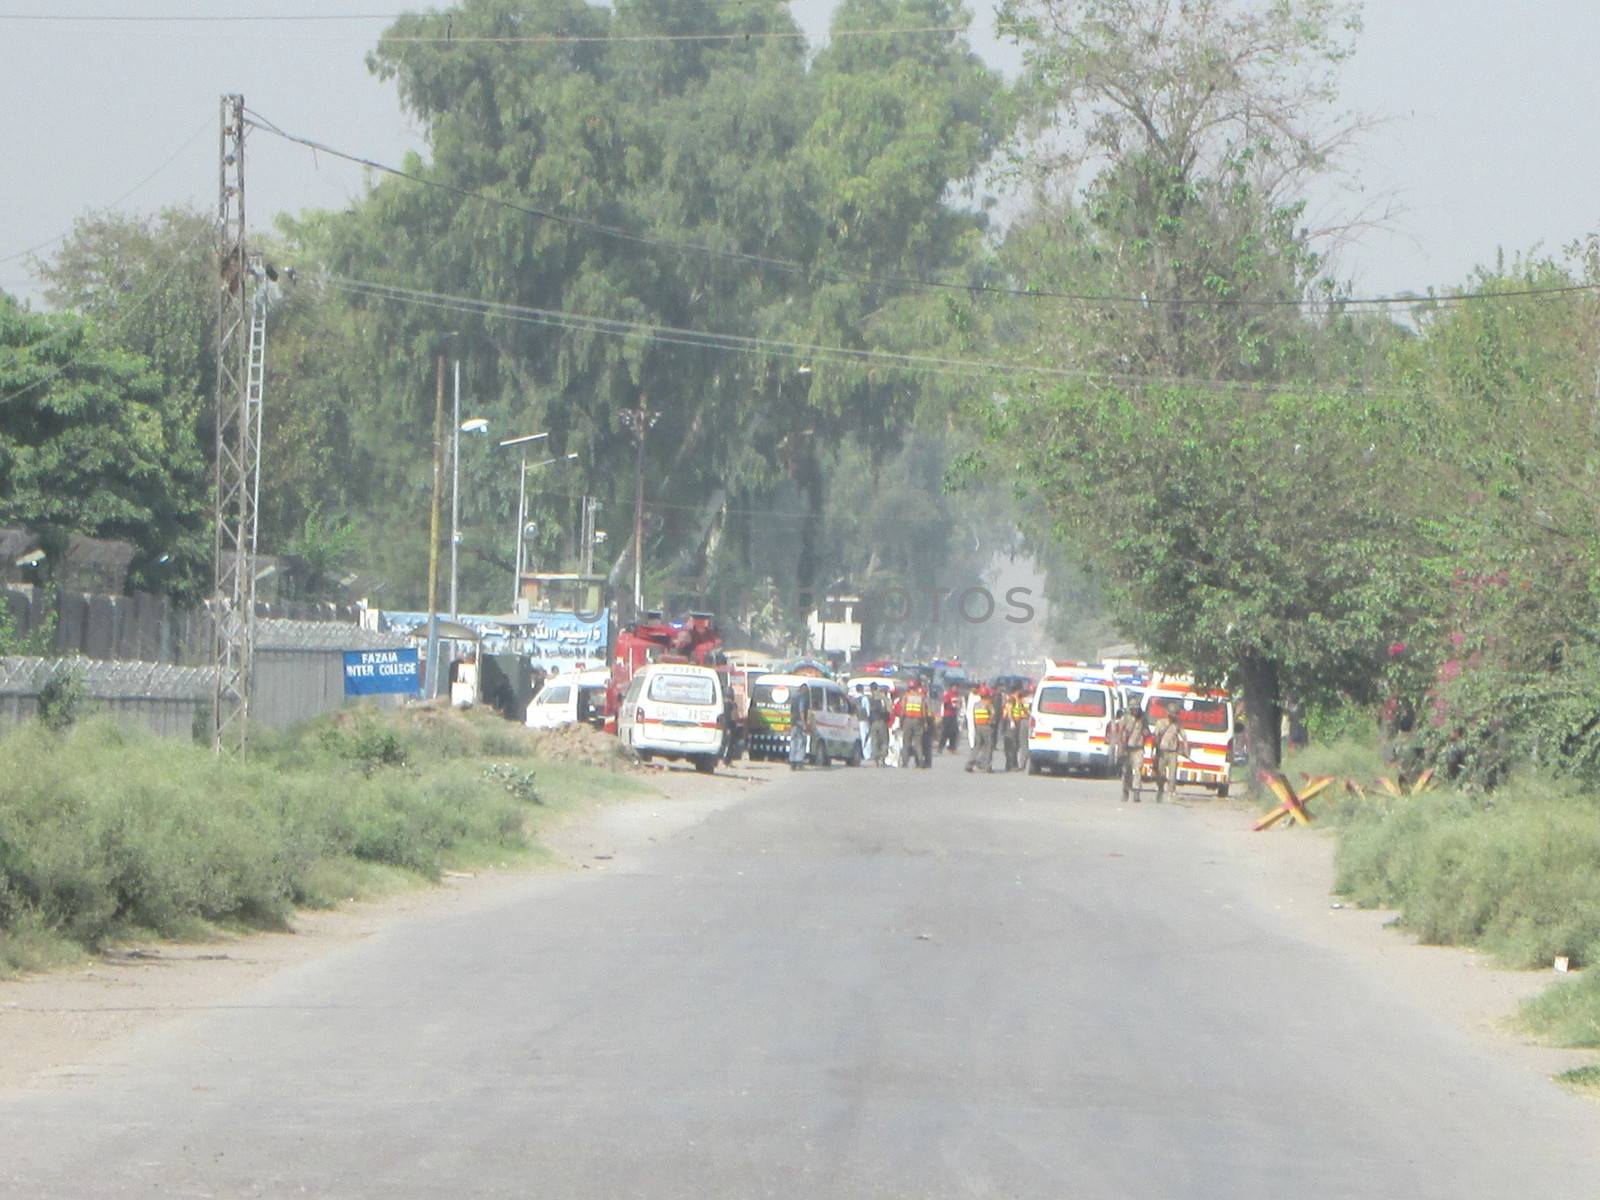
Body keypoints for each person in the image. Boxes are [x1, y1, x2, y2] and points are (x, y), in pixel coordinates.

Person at [1113, 700, 1149, 802]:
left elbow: (1146, 731)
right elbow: (1120, 731)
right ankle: (1125, 791)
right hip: (1127, 748)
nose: (1135, 711)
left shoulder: (1143, 719)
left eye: (1137, 709)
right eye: (1133, 709)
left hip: (1138, 748)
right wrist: (1120, 746)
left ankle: (1136, 793)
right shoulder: (1125, 718)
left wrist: (1146, 734)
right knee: (1126, 771)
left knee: (1137, 770)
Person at [1154, 706, 1190, 802]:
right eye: (1172, 713)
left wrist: (1186, 750)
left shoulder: (1178, 724)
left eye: (1175, 714)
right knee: (1160, 773)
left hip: (1173, 752)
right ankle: (1160, 789)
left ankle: (1170, 792)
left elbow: (1184, 738)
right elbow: (1156, 737)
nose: (1173, 716)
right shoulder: (1160, 723)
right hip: (1162, 751)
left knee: (1172, 774)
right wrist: (1154, 752)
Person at [899, 682, 931, 768]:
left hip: (907, 720)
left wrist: (901, 721)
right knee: (918, 743)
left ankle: (905, 762)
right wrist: (925, 722)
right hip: (918, 721)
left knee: (906, 742)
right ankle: (920, 761)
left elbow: (902, 710)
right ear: (916, 687)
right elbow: (924, 711)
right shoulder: (921, 697)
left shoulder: (906, 696)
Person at [966, 686, 996, 773]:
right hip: (986, 727)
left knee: (977, 746)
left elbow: (974, 717)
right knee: (988, 746)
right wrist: (990, 721)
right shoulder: (988, 704)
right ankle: (987, 766)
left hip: (978, 726)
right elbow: (993, 714)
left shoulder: (976, 704)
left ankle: (969, 764)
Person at [1001, 687, 1029, 771]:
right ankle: (1010, 764)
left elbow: (1022, 712)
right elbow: (1009, 712)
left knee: (1015, 745)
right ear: (1015, 692)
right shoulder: (1011, 700)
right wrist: (1011, 721)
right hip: (1010, 724)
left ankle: (1013, 763)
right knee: (1011, 745)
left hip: (1017, 723)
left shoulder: (1018, 701)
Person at [787, 683, 812, 771]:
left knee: (793, 742)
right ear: (804, 690)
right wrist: (804, 724)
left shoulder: (794, 698)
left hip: (793, 723)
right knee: (801, 742)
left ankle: (792, 762)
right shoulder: (802, 698)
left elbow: (791, 711)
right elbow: (801, 711)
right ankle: (799, 761)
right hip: (799, 723)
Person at [867, 683, 890, 766]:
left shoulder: (869, 698)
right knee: (884, 741)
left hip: (873, 722)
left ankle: (876, 759)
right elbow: (889, 709)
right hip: (882, 721)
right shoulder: (883, 698)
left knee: (875, 741)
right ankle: (883, 758)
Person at [939, 685, 961, 753]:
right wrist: (952, 705)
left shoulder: (957, 695)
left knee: (954, 732)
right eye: (954, 687)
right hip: (947, 715)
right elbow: (945, 703)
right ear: (951, 688)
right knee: (945, 732)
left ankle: (952, 747)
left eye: (956, 687)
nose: (955, 689)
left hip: (953, 715)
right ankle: (940, 747)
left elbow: (958, 704)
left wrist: (958, 705)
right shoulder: (948, 694)